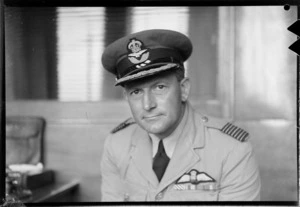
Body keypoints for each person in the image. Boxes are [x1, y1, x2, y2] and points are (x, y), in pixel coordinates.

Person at [100, 29, 261, 201]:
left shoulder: (231, 149)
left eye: (159, 87)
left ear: (183, 89)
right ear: (127, 98)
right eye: (136, 92)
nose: (148, 105)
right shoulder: (117, 144)